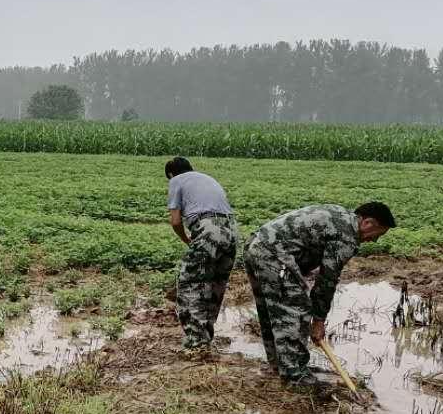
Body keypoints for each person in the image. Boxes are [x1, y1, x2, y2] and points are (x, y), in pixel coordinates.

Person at [243, 202, 396, 392]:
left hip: (255, 247)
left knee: (273, 310)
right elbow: (327, 280)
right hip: (274, 255)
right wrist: (318, 320)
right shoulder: (347, 235)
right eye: (378, 234)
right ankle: (295, 376)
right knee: (295, 310)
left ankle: (280, 366)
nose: (374, 241)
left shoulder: (340, 214)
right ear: (368, 223)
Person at [164, 156, 238, 351]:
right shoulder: (206, 178)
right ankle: (205, 336)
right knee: (215, 283)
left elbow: (175, 221)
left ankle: (196, 343)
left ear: (171, 174)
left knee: (189, 284)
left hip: (207, 228)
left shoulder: (176, 180)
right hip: (231, 230)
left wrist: (187, 240)